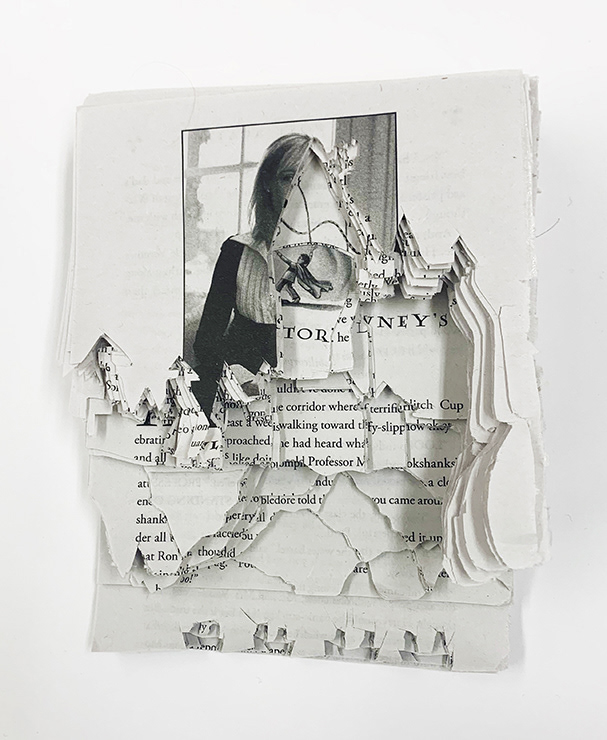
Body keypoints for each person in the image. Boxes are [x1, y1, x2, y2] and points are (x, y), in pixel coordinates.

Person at [191, 133, 313, 418]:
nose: (298, 189)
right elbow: (206, 340)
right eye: (287, 178)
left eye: (307, 179)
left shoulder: (336, 259)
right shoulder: (237, 250)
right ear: (268, 184)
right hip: (238, 380)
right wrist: (238, 377)